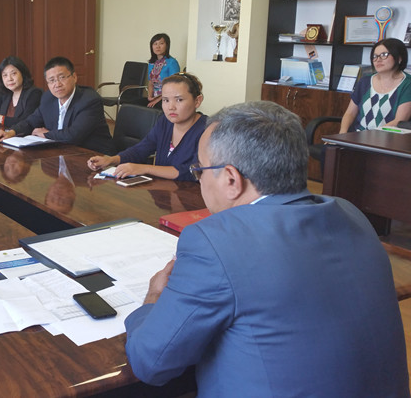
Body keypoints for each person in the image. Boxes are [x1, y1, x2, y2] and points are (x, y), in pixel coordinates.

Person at [125, 101, 409, 396]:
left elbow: (151, 363)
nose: (199, 180)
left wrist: (153, 299)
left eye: (200, 170)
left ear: (231, 179)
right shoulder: (350, 213)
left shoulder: (216, 241)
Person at [87, 72, 206, 181]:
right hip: (162, 192)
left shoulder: (208, 130)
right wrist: (110, 160)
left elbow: (193, 172)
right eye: (165, 100)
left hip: (190, 194)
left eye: (179, 100)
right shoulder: (165, 122)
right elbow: (141, 149)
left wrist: (145, 168)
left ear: (197, 101)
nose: (171, 107)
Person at [0, 56, 114, 155]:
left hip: (93, 155)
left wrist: (46, 134)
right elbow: (31, 121)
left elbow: (74, 135)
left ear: (74, 77)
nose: (57, 84)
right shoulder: (48, 98)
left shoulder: (89, 100)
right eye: (51, 80)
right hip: (62, 153)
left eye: (62, 78)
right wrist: (12, 132)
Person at [339, 38, 411, 132]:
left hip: (387, 138)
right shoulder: (365, 81)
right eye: (375, 56)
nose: (378, 60)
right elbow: (350, 113)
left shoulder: (407, 84)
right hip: (357, 136)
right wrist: (342, 133)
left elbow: (399, 121)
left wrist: (370, 136)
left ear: (399, 58)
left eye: (384, 55)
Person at [0, 56, 43, 128]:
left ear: (23, 74)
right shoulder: (6, 94)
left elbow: (26, 122)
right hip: (4, 133)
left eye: (14, 73)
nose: (9, 79)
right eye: (5, 75)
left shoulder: (34, 94)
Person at [146, 33, 180, 109]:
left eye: (161, 43)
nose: (158, 46)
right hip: (155, 96)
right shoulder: (151, 63)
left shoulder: (172, 62)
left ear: (167, 45)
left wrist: (157, 100)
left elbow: (174, 86)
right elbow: (150, 82)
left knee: (152, 108)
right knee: (134, 105)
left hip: (168, 98)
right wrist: (150, 96)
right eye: (155, 44)